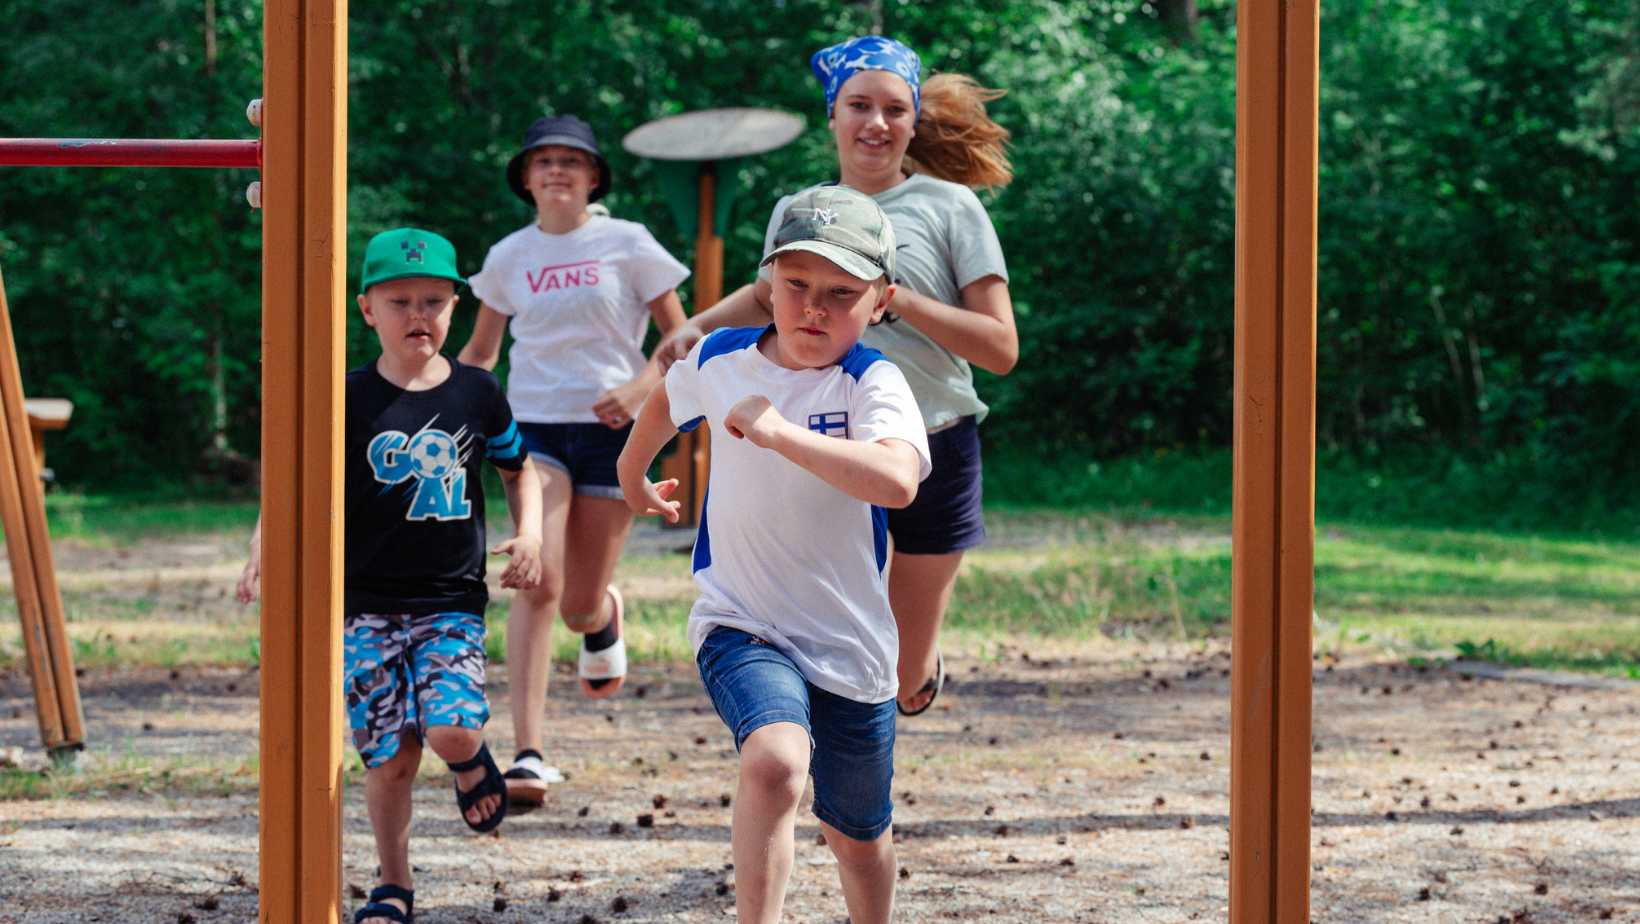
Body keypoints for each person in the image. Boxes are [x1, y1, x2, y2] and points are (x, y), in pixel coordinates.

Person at [657, 36, 1017, 717]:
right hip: (820, 438)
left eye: (894, 109)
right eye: (858, 105)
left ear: (915, 121)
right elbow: (769, 295)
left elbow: (1000, 348)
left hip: (930, 444)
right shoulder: (801, 206)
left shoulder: (950, 207)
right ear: (832, 116)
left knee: (902, 678)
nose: (875, 124)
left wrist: (891, 294)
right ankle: (801, 758)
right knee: (821, 651)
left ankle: (918, 663)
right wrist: (695, 326)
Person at [618, 186, 931, 924]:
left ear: (880, 301)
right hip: (742, 619)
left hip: (851, 645)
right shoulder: (723, 355)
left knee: (857, 838)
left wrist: (781, 432)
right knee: (775, 763)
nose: (813, 308)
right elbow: (669, 394)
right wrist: (633, 473)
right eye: (796, 286)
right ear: (767, 285)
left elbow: (896, 480)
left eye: (841, 292)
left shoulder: (872, 381)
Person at [237, 228, 545, 924]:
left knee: (452, 732)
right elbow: (287, 482)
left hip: (451, 602)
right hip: (363, 603)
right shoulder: (344, 398)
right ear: (367, 308)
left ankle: (471, 764)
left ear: (456, 307)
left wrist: (531, 533)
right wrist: (263, 547)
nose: (419, 315)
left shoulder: (477, 392)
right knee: (391, 760)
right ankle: (394, 885)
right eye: (400, 300)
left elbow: (519, 470)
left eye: (434, 301)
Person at [456, 115, 690, 804]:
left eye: (571, 160)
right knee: (537, 579)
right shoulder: (508, 256)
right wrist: (436, 402)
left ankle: (603, 616)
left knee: (579, 603)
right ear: (526, 179)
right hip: (533, 428)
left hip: (617, 432)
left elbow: (682, 334)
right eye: (543, 161)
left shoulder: (627, 243)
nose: (557, 170)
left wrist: (642, 387)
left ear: (593, 177)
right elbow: (480, 354)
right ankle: (526, 753)